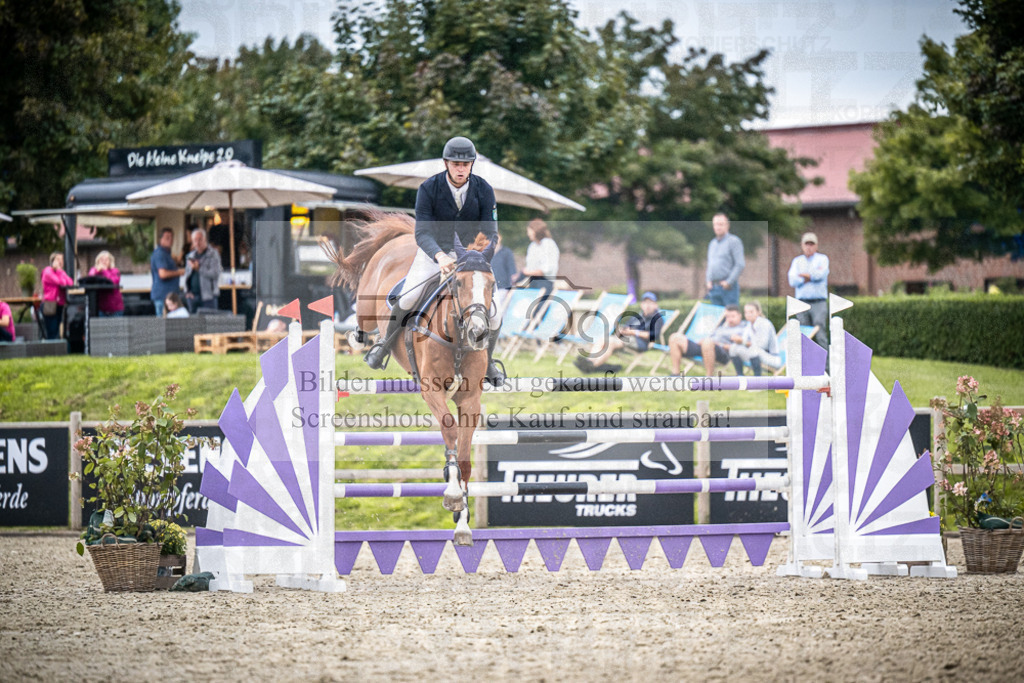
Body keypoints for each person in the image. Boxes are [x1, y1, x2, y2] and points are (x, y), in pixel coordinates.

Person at [362, 136, 504, 386]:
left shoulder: (484, 189)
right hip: (433, 253)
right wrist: (439, 256)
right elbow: (422, 232)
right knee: (407, 298)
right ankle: (383, 344)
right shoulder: (429, 188)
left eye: (465, 164)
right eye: (456, 164)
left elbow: (490, 232)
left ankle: (489, 361)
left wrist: (477, 256)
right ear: (446, 163)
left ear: (471, 164)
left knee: (494, 312)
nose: (461, 169)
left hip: (471, 258)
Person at [575, 291, 664, 373]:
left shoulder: (657, 318)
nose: (647, 305)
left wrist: (633, 332)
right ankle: (589, 361)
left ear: (655, 305)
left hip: (640, 342)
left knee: (611, 343)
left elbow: (652, 335)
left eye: (650, 303)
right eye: (645, 302)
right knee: (603, 339)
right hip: (626, 338)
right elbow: (626, 327)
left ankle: (592, 366)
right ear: (641, 305)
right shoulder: (638, 316)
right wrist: (623, 330)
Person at [667, 304, 747, 376]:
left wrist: (718, 344)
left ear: (740, 316)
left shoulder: (744, 328)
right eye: (727, 317)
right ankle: (675, 374)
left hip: (722, 352)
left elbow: (742, 346)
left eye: (733, 316)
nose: (730, 319)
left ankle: (709, 377)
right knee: (675, 337)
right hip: (706, 346)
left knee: (707, 342)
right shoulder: (722, 328)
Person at [788, 231, 829, 348]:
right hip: (801, 303)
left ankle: (825, 366)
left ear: (816, 246)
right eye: (807, 244)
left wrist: (805, 276)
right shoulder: (797, 261)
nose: (809, 247)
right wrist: (808, 278)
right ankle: (806, 365)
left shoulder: (823, 259)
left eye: (812, 244)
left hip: (818, 302)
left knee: (820, 333)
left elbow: (820, 275)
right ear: (802, 245)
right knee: (803, 335)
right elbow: (792, 280)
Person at [728, 301, 780, 376]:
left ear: (758, 312)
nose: (748, 314)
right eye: (746, 312)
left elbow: (762, 345)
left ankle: (757, 380)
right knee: (733, 348)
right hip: (756, 355)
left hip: (772, 357)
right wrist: (737, 339)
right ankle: (740, 376)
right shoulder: (749, 325)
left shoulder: (764, 323)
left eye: (751, 312)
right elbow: (744, 341)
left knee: (753, 350)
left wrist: (742, 341)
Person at [706, 213, 745, 306]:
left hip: (728, 288)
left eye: (721, 224)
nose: (717, 227)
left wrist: (729, 282)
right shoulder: (712, 243)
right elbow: (710, 264)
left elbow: (740, 264)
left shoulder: (734, 241)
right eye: (715, 224)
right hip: (714, 288)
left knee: (730, 318)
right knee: (717, 318)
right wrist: (708, 281)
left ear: (727, 225)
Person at [183, 228, 223, 313]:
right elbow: (187, 275)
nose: (197, 242)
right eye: (195, 240)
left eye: (200, 239)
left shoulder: (213, 254)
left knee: (209, 324)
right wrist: (187, 292)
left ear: (205, 239)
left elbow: (215, 274)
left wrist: (199, 269)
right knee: (193, 324)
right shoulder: (190, 256)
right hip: (192, 297)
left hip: (208, 297)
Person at [517, 218, 559, 296]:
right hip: (533, 282)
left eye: (529, 231)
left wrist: (528, 272)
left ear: (536, 230)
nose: (528, 234)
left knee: (541, 307)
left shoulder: (548, 244)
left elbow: (546, 269)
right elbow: (530, 266)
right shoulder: (532, 246)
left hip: (545, 283)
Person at [151, 228, 184, 317]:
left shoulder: (167, 254)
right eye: (167, 238)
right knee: (164, 326)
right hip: (163, 297)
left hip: (169, 296)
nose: (170, 240)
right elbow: (163, 274)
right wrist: (180, 272)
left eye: (171, 237)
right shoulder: (160, 253)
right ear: (160, 239)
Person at [41, 252, 74, 340]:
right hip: (50, 304)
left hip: (59, 304)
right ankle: (50, 350)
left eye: (62, 259)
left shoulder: (60, 272)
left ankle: (55, 350)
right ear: (52, 261)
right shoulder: (47, 271)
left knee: (57, 330)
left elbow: (70, 283)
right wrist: (60, 272)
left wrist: (60, 272)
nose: (60, 262)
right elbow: (61, 282)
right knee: (52, 330)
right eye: (58, 259)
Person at [88, 251, 124, 317]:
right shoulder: (95, 270)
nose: (104, 261)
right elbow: (90, 276)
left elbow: (113, 281)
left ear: (110, 261)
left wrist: (104, 271)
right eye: (101, 259)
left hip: (115, 309)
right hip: (102, 309)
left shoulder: (115, 271)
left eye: (106, 259)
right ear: (98, 261)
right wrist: (97, 270)